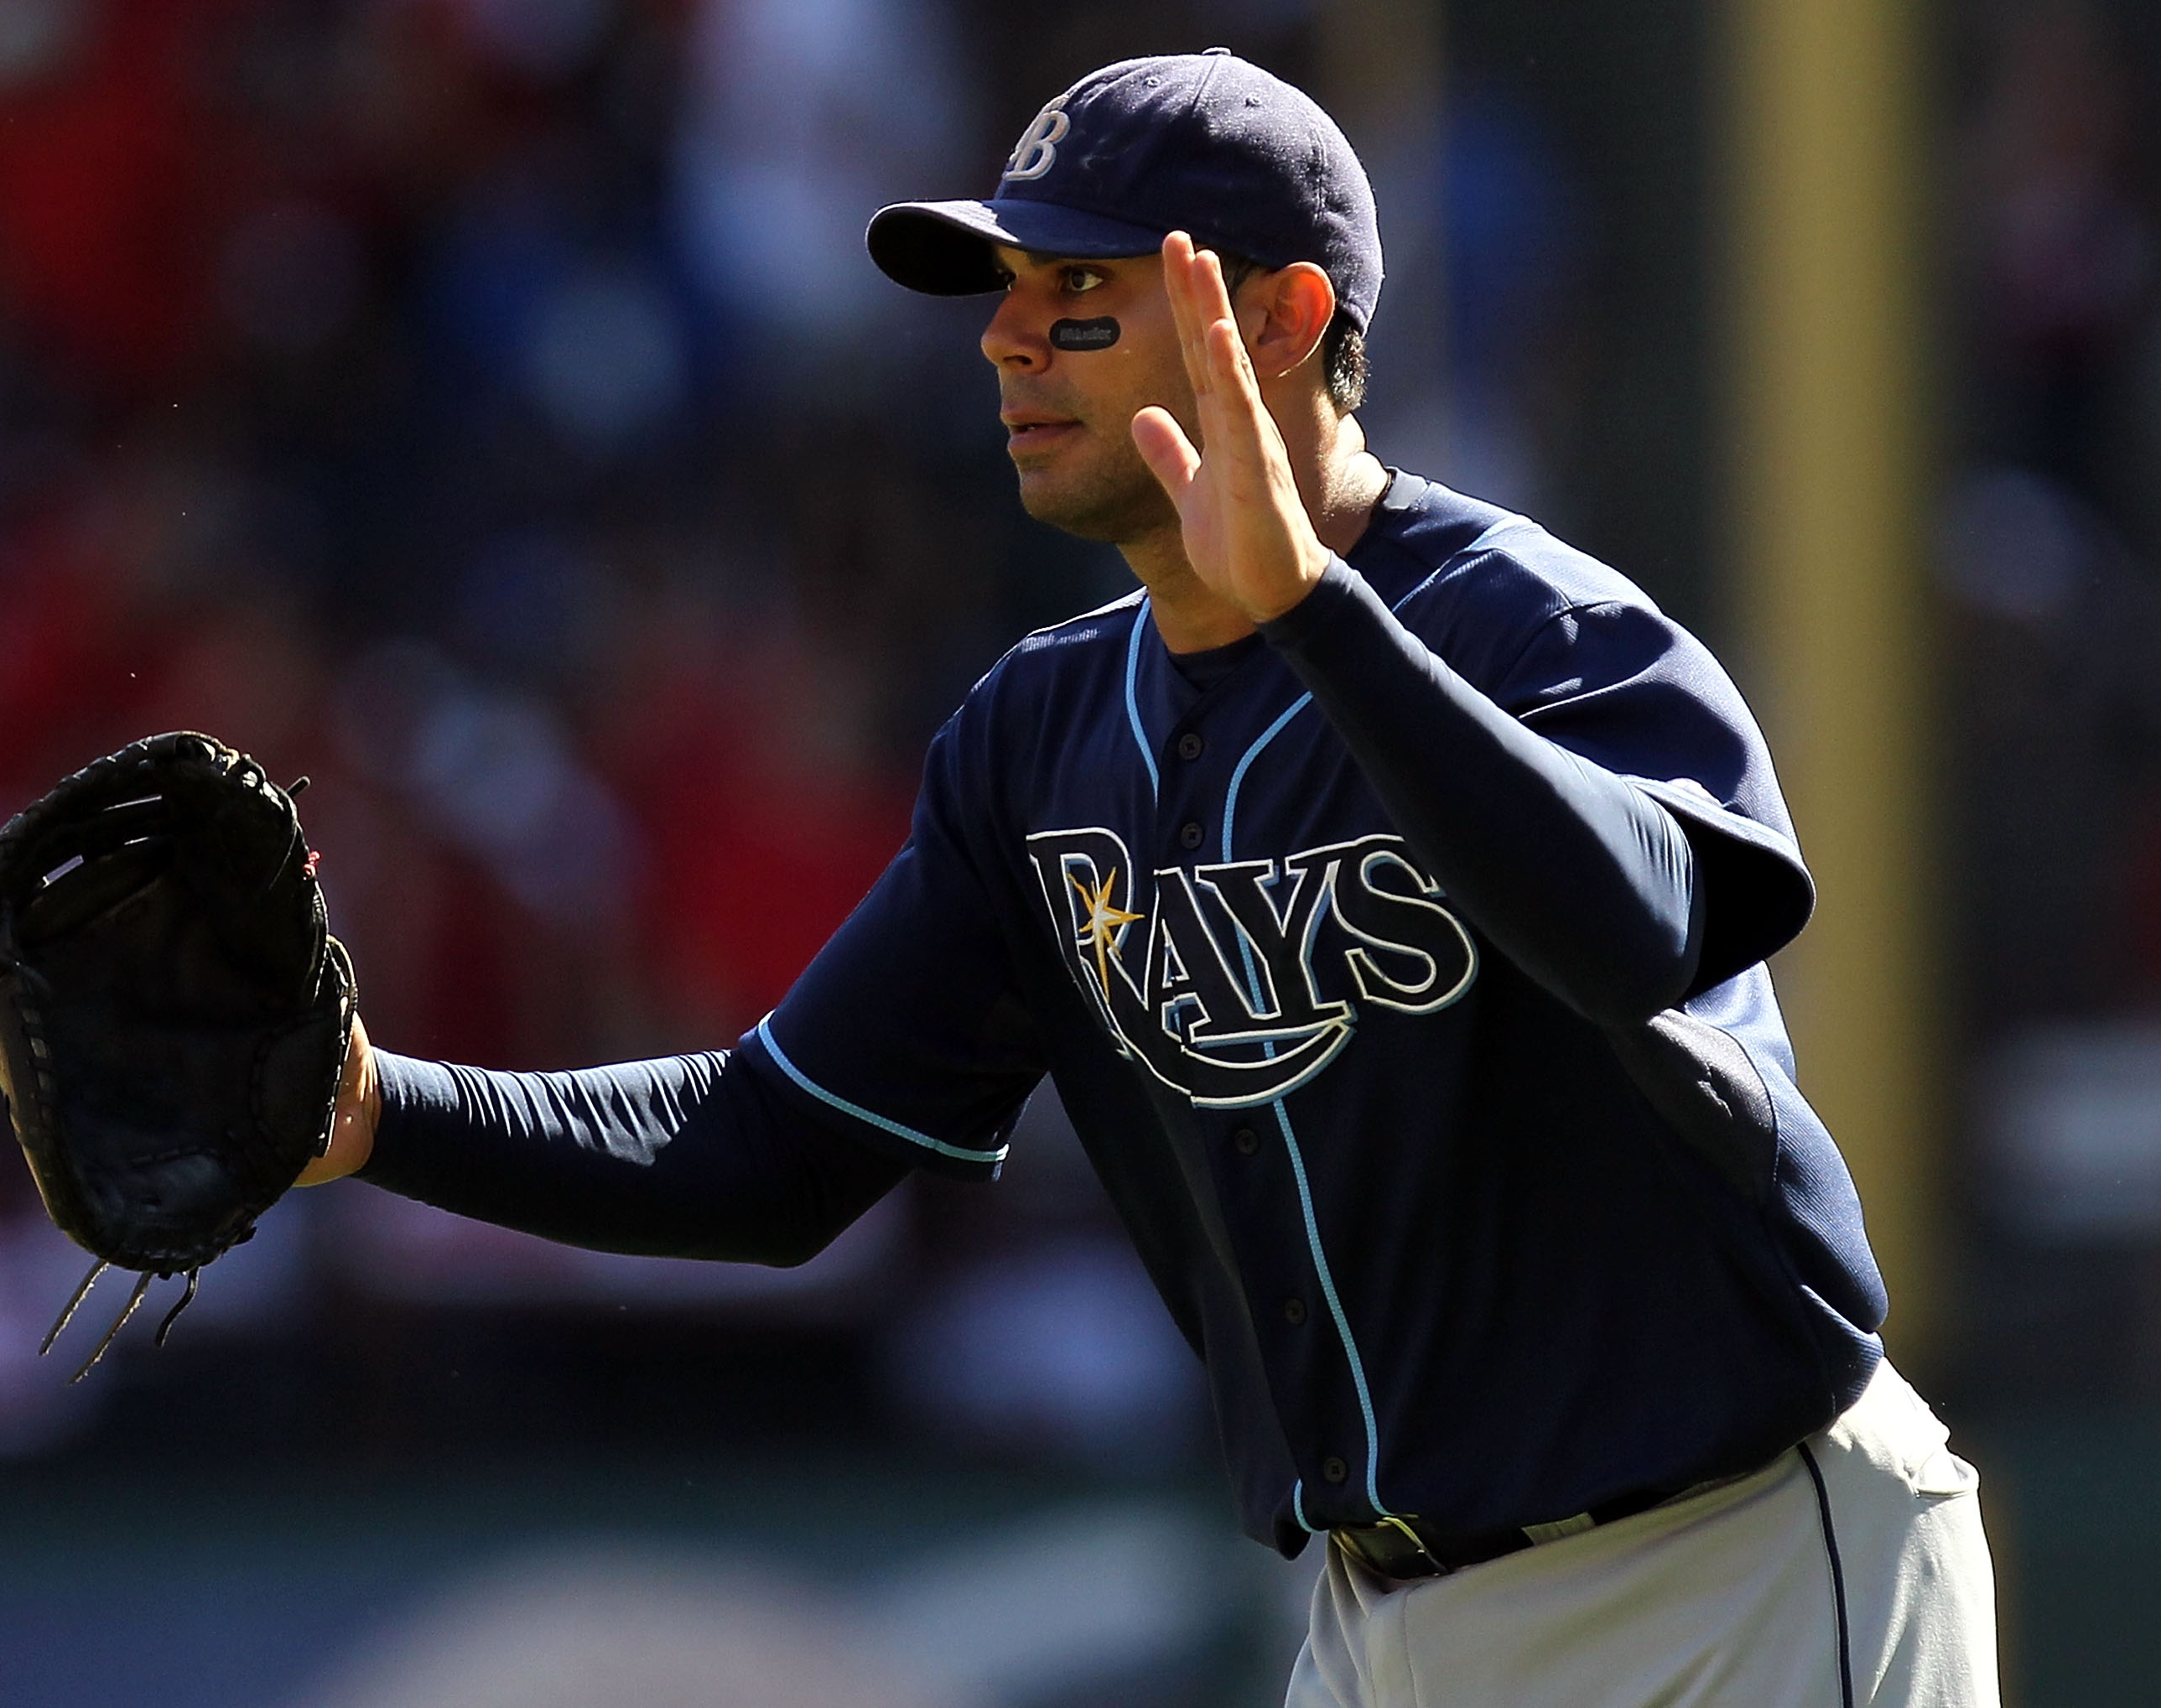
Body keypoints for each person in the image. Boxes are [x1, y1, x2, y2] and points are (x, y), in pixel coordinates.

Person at [304, 50, 1998, 1706]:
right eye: (1005, 288)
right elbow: (769, 1149)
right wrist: (373, 1108)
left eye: (1081, 293)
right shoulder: (1040, 733)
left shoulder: (1538, 626)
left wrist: (1318, 616)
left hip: (1734, 1567)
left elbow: (1643, 924)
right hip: (1382, 1617)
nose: (1007, 337)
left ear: (1279, 323)